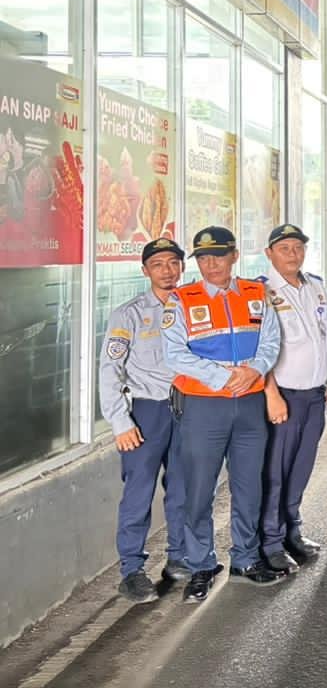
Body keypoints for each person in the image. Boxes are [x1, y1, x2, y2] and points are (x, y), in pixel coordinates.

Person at [162, 226, 284, 603]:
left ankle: (246, 558)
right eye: (203, 258)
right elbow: (174, 353)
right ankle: (201, 564)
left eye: (218, 255)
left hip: (248, 404)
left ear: (234, 256)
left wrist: (254, 371)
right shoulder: (182, 300)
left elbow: (271, 340)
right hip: (203, 406)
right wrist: (222, 377)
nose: (211, 264)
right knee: (199, 488)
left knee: (249, 485)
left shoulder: (256, 293)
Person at [100, 237, 190, 603]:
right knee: (139, 492)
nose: (167, 271)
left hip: (189, 409)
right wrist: (121, 422)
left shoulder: (194, 307)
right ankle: (132, 571)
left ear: (182, 267)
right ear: (145, 271)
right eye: (158, 264)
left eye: (173, 263)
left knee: (184, 487)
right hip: (147, 412)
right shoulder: (130, 314)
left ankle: (179, 557)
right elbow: (110, 370)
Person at [258, 224, 327, 574]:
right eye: (284, 248)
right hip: (283, 396)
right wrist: (271, 393)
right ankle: (270, 542)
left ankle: (292, 532)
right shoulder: (261, 291)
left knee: (301, 468)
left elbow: (325, 336)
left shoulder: (315, 286)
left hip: (315, 395)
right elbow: (257, 349)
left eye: (298, 247)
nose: (293, 254)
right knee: (275, 472)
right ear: (269, 253)